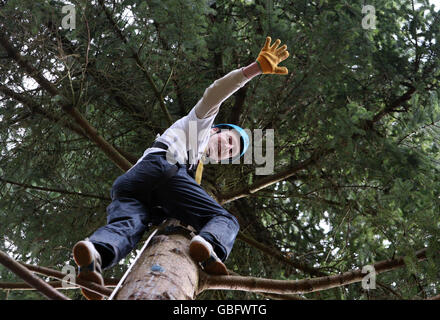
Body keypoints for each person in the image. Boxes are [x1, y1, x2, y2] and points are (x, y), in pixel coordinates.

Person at [72, 37, 289, 300]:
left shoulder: (194, 156)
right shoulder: (200, 126)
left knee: (128, 224)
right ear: (217, 130)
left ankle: (95, 253)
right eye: (229, 141)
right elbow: (215, 93)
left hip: (132, 184)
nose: (227, 150)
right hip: (165, 169)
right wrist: (254, 68)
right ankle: (208, 244)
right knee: (225, 219)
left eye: (231, 153)